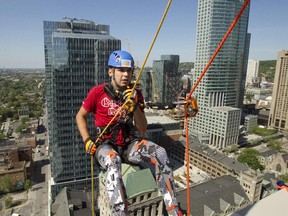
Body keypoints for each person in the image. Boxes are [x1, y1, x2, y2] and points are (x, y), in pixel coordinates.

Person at [76, 50, 183, 216]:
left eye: (129, 71)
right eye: (121, 70)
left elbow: (142, 128)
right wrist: (87, 140)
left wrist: (134, 107)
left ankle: (173, 209)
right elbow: (80, 116)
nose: (126, 75)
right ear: (110, 71)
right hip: (106, 145)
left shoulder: (135, 94)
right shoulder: (98, 93)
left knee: (160, 152)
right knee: (113, 161)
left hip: (129, 145)